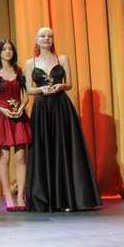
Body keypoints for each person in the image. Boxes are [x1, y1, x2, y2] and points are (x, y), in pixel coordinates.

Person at [23, 27, 102, 212]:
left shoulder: (62, 59)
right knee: (44, 148)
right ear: (36, 40)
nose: (47, 38)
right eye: (43, 36)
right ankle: (46, 199)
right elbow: (28, 89)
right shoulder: (30, 62)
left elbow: (69, 84)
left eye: (50, 36)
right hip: (42, 108)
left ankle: (67, 199)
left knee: (63, 147)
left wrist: (60, 86)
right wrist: (41, 89)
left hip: (61, 106)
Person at [0, 39, 31, 211]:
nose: (8, 52)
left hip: (19, 117)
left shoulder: (20, 71)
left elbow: (25, 96)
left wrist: (21, 107)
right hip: (3, 118)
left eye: (10, 49)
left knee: (21, 157)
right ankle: (8, 196)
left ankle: (20, 196)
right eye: (4, 49)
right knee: (4, 157)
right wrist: (2, 110)